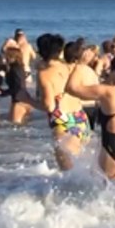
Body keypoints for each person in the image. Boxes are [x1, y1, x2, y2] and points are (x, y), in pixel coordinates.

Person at [34, 34, 92, 170]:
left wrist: (27, 100)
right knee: (82, 170)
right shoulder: (71, 67)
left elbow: (49, 106)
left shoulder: (44, 74)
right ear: (60, 51)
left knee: (69, 173)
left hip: (64, 123)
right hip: (81, 119)